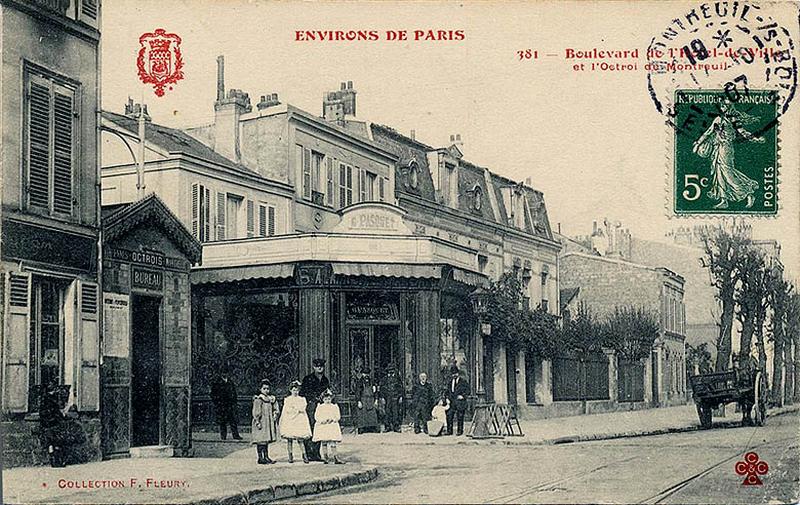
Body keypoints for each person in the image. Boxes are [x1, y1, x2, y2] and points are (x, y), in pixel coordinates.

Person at [692, 99, 764, 209]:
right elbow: (708, 132)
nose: (723, 108)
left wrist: (755, 139)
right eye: (722, 106)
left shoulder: (733, 119)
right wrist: (698, 143)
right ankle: (724, 200)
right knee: (719, 172)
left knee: (727, 172)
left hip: (726, 148)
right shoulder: (717, 119)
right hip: (717, 148)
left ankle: (748, 193)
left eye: (725, 106)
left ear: (730, 107)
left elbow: (743, 132)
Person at [300, 358, 330, 461]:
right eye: (317, 366)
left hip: (321, 407)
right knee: (310, 428)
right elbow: (303, 393)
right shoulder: (308, 379)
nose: (319, 368)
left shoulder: (325, 380)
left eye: (321, 366)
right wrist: (313, 398)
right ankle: (308, 453)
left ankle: (316, 453)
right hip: (311, 406)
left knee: (319, 428)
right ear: (314, 367)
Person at [280, 380, 311, 463]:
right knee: (289, 439)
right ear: (290, 390)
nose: (295, 392)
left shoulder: (302, 399)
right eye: (293, 390)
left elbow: (302, 408)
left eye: (297, 390)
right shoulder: (287, 399)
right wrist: (294, 409)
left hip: (299, 420)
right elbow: (288, 410)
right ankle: (290, 456)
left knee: (300, 439)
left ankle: (304, 455)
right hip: (290, 420)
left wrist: (296, 408)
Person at [312, 389, 345, 464]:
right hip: (324, 426)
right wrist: (323, 420)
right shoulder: (320, 407)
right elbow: (317, 416)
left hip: (331, 426)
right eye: (325, 399)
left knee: (333, 441)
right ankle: (326, 457)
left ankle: (335, 457)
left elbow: (338, 416)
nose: (327, 400)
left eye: (329, 399)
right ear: (323, 399)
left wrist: (333, 419)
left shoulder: (334, 407)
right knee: (324, 441)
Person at [251, 379, 279, 464]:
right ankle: (260, 457)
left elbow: (275, 408)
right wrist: (257, 421)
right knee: (260, 441)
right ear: (260, 389)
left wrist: (275, 413)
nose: (266, 390)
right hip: (261, 422)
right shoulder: (259, 399)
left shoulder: (271, 399)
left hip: (268, 422)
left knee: (266, 441)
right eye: (264, 388)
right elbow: (256, 411)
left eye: (268, 388)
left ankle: (266, 456)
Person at [210, 370, 242, 440]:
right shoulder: (217, 383)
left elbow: (234, 392)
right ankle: (223, 436)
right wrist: (217, 402)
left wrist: (234, 402)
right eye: (223, 373)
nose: (225, 374)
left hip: (230, 405)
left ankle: (236, 435)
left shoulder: (230, 382)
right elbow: (213, 394)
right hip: (222, 405)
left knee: (233, 421)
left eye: (226, 373)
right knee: (222, 422)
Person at [351, 367, 379, 434]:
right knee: (362, 414)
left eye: (367, 374)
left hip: (371, 399)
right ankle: (361, 428)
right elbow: (357, 392)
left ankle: (372, 427)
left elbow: (376, 392)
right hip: (363, 399)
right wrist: (358, 401)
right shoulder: (359, 382)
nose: (366, 375)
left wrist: (376, 400)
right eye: (364, 373)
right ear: (362, 374)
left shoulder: (372, 382)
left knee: (372, 414)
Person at [445, 365, 470, 436]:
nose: (454, 375)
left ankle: (460, 431)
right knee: (449, 415)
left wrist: (463, 396)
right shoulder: (450, 382)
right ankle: (449, 431)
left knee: (460, 416)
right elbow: (447, 391)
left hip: (460, 402)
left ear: (458, 373)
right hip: (452, 402)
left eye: (455, 373)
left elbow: (468, 391)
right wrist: (447, 398)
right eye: (453, 374)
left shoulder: (463, 382)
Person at [379, 365, 404, 432]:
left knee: (395, 412)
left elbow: (401, 388)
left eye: (392, 370)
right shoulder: (384, 379)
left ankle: (396, 426)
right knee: (387, 413)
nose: (391, 372)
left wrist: (401, 397)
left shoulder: (397, 379)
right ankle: (387, 427)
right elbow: (382, 389)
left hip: (395, 397)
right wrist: (382, 398)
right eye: (389, 371)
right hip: (387, 398)